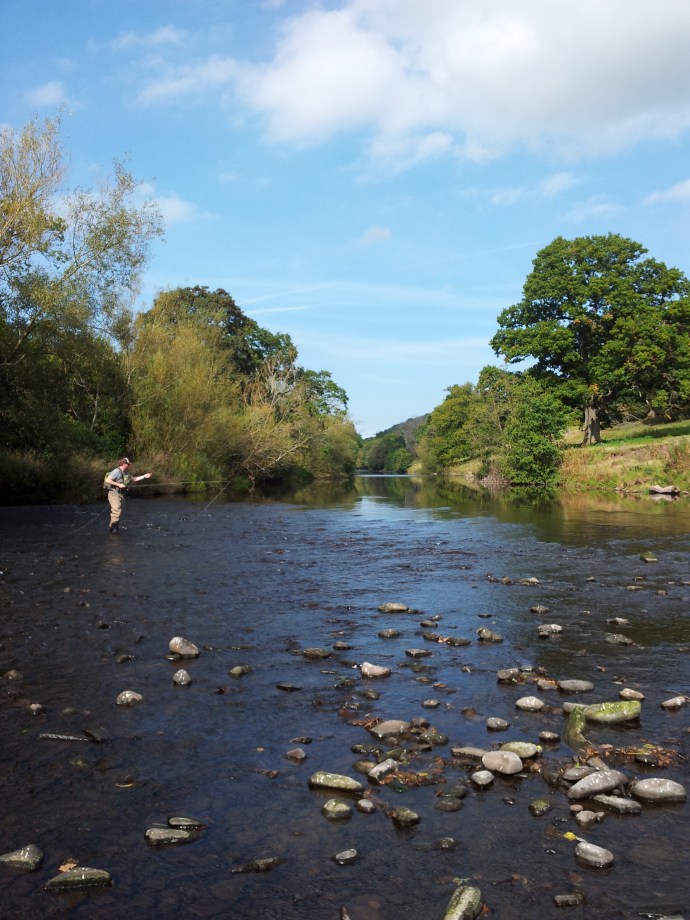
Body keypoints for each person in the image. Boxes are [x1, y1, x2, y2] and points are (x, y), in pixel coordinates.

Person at [104, 458, 152, 533]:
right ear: (124, 464)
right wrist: (119, 484)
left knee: (118, 511)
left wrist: (144, 476)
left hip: (121, 494)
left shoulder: (126, 472)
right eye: (128, 464)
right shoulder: (116, 471)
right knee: (117, 510)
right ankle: (112, 529)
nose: (129, 465)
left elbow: (134, 479)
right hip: (114, 494)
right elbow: (108, 480)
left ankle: (115, 528)